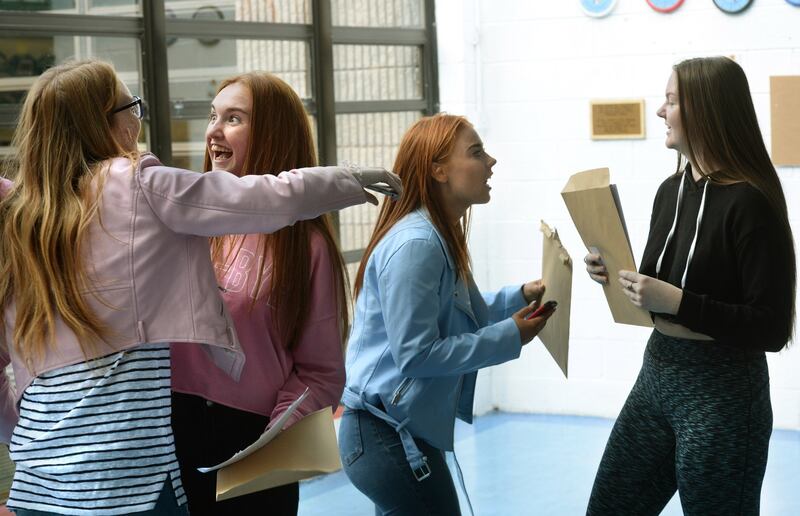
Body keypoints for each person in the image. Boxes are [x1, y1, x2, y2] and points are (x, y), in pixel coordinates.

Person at [0, 59, 399, 515]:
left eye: (233, 117)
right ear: (102, 122)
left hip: (44, 479)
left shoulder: (24, 216)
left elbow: (319, 368)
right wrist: (346, 180)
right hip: (130, 478)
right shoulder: (138, 187)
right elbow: (263, 197)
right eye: (131, 106)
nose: (138, 118)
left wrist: (24, 437)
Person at [584, 56, 796, 515]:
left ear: (706, 111)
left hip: (722, 393)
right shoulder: (669, 189)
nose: (661, 111)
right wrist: (616, 274)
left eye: (671, 100)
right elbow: (661, 287)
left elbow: (772, 328)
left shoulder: (750, 202)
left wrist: (677, 302)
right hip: (658, 375)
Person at [339, 113, 554, 515]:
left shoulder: (436, 234)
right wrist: (511, 336)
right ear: (438, 170)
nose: (491, 163)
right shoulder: (417, 243)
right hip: (384, 435)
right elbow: (417, 355)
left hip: (392, 432)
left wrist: (520, 297)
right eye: (476, 153)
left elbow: (465, 313)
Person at [170, 73, 350, 515]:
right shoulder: (183, 225)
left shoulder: (305, 246)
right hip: (168, 439)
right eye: (213, 117)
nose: (213, 131)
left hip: (252, 445)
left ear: (273, 132)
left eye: (234, 119)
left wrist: (272, 441)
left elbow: (322, 372)